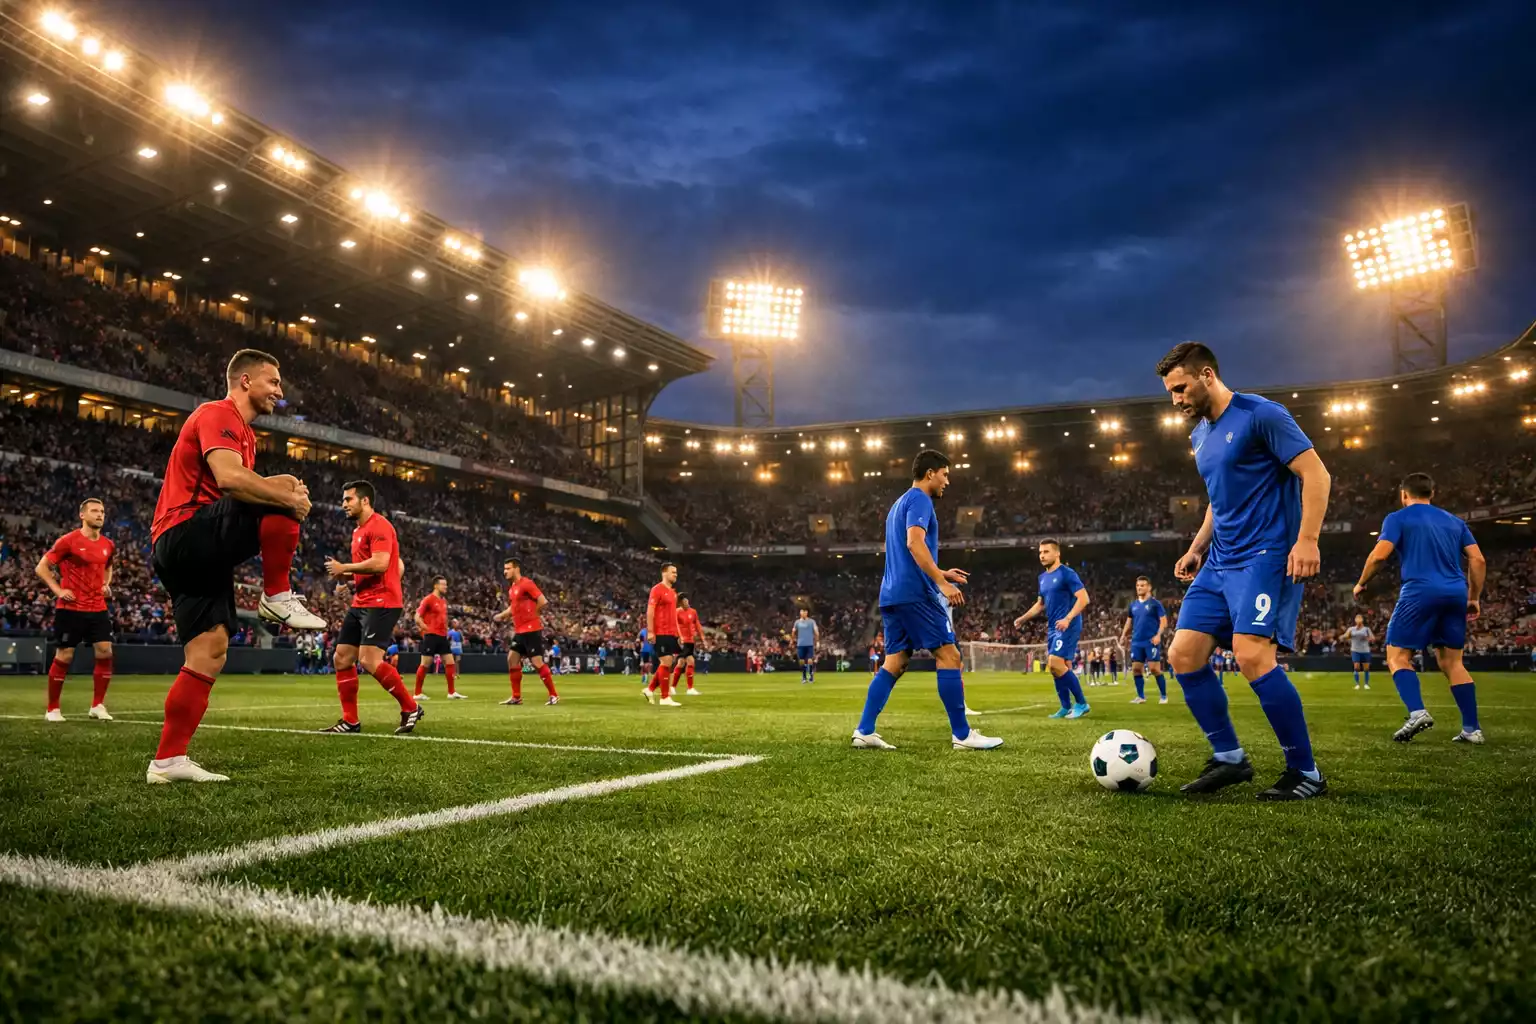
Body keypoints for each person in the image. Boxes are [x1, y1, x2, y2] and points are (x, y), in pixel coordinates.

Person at [1157, 341, 1330, 800]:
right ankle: (1230, 759)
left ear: (1207, 375)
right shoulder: (1200, 435)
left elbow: (1316, 474)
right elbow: (1219, 499)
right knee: (1183, 655)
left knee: (1252, 655)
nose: (1175, 400)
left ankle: (1306, 772)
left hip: (1264, 556)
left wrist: (1307, 539)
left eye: (1180, 388)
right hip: (1218, 561)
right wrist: (1196, 547)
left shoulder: (1261, 415)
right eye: (1170, 393)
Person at [145, 349, 318, 783]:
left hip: (187, 548)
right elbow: (228, 478)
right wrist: (290, 498)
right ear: (245, 381)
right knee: (285, 488)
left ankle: (167, 761)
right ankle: (277, 596)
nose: (279, 391)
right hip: (185, 531)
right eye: (273, 382)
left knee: (210, 650)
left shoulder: (247, 434)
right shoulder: (217, 413)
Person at [852, 449, 1001, 751]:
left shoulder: (898, 504)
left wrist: (941, 570)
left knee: (895, 661)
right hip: (915, 594)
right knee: (950, 656)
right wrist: (941, 581)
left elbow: (907, 551)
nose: (947, 481)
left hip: (891, 594)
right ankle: (962, 735)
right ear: (930, 473)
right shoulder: (921, 499)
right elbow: (913, 542)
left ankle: (864, 730)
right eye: (945, 474)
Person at [1353, 472, 1486, 745]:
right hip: (1455, 593)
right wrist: (1474, 597)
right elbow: (1478, 559)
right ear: (1432, 494)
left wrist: (1362, 583)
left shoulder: (1398, 518)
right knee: (1452, 662)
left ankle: (1417, 712)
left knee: (1397, 655)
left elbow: (1379, 555)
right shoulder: (1455, 521)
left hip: (1420, 591)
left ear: (1404, 494)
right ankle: (1472, 729)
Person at [320, 480, 424, 735]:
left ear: (364, 501)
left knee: (369, 660)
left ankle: (410, 707)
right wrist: (350, 581)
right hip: (362, 601)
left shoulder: (379, 525)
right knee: (342, 658)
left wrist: (345, 568)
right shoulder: (357, 531)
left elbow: (380, 563)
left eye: (348, 499)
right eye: (344, 500)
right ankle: (350, 721)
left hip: (383, 603)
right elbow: (390, 566)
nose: (344, 504)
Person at [36, 497, 116, 722]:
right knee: (65, 655)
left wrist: (105, 584)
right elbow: (42, 567)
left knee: (105, 652)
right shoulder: (68, 541)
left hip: (97, 608)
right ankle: (52, 709)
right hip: (70, 608)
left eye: (102, 511)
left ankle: (97, 706)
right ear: (82, 515)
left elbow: (108, 566)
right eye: (94, 511)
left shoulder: (108, 544)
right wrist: (58, 590)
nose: (100, 514)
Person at [1015, 539, 1091, 719]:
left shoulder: (1067, 573)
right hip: (1053, 626)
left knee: (1055, 662)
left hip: (1068, 624)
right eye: (1040, 552)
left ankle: (1081, 703)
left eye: (1046, 552)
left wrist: (1068, 618)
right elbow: (1040, 604)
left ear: (1057, 554)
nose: (1042, 555)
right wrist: (1023, 618)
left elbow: (1084, 598)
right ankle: (1065, 707)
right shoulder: (1042, 578)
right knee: (1055, 667)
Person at [495, 558, 559, 706]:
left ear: (516, 569)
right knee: (512, 659)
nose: (505, 571)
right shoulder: (512, 588)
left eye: (508, 568)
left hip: (531, 630)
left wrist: (533, 615)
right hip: (520, 631)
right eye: (504, 569)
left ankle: (554, 695)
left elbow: (542, 600)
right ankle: (516, 697)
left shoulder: (527, 583)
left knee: (537, 662)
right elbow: (513, 608)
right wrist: (501, 615)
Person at [1119, 577, 1169, 705]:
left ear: (1149, 587)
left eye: (1142, 585)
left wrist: (1158, 635)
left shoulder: (1155, 604)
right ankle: (1141, 697)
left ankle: (1163, 696)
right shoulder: (1133, 605)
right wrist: (1124, 635)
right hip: (1136, 641)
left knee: (1154, 669)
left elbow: (1164, 621)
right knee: (1136, 669)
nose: (1139, 588)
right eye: (1137, 585)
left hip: (1150, 641)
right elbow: (1129, 621)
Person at [413, 576, 463, 700]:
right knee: (425, 663)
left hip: (442, 636)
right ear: (436, 585)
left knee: (450, 662)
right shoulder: (428, 599)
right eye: (443, 584)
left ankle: (451, 692)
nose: (446, 587)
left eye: (446, 585)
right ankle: (417, 693)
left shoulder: (443, 601)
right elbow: (417, 616)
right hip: (431, 635)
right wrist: (424, 627)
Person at [644, 563, 683, 707]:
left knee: (668, 662)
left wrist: (678, 633)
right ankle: (664, 697)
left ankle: (650, 689)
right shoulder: (657, 589)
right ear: (664, 573)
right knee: (666, 662)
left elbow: (672, 614)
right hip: (660, 631)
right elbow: (650, 611)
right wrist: (650, 631)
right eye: (673, 572)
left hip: (671, 632)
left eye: (676, 572)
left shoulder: (673, 593)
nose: (675, 575)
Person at [673, 595, 703, 695]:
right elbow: (675, 625)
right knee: (690, 661)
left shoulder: (693, 612)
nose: (686, 603)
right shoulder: (677, 612)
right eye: (684, 601)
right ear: (680, 603)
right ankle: (689, 689)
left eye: (687, 601)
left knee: (681, 663)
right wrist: (679, 637)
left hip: (690, 641)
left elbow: (697, 624)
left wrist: (702, 637)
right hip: (682, 640)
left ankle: (673, 688)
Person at [1346, 614, 1374, 690]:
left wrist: (1366, 638)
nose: (1358, 620)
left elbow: (1372, 638)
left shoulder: (1366, 629)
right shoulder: (1351, 629)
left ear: (1362, 620)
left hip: (1365, 650)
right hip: (1355, 650)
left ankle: (1366, 684)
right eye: (1357, 618)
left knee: (1366, 668)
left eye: (1360, 618)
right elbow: (1346, 637)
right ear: (1355, 620)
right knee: (1356, 666)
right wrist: (1347, 636)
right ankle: (1357, 684)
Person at [793, 608, 820, 685]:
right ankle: (804, 677)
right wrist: (792, 640)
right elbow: (793, 631)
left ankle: (811, 676)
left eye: (804, 612)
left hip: (809, 644)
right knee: (801, 661)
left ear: (807, 613)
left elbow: (816, 631)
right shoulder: (797, 622)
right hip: (800, 644)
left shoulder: (811, 622)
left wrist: (817, 641)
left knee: (809, 660)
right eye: (801, 611)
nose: (803, 613)